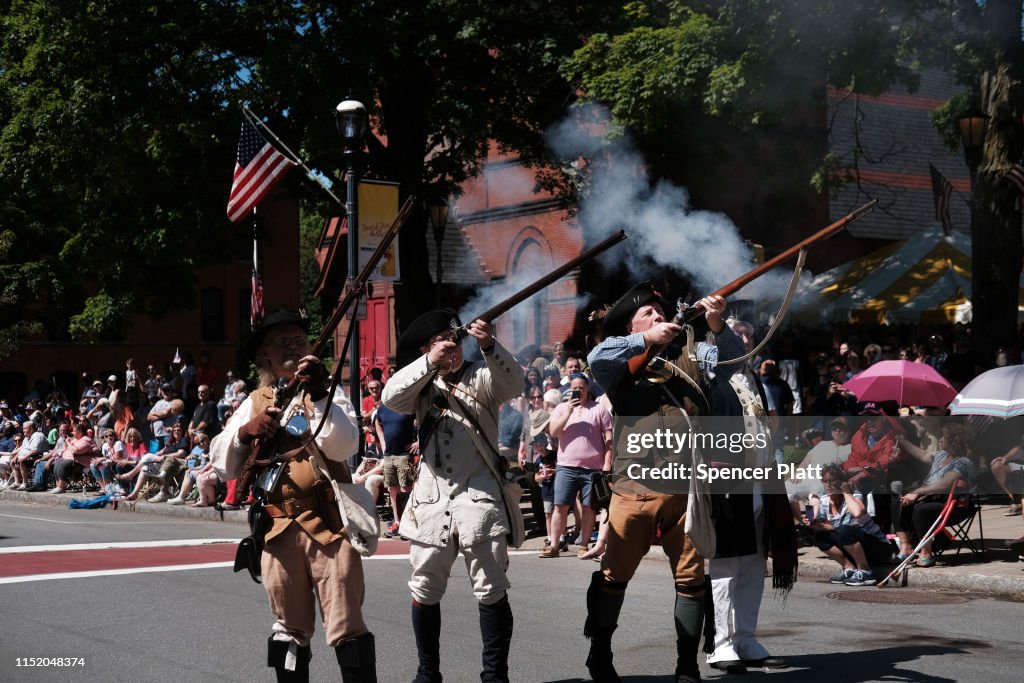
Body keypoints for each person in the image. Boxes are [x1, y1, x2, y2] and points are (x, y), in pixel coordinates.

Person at [585, 283, 739, 683]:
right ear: (631, 327)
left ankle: (686, 665)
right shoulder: (621, 357)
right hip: (633, 488)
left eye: (659, 312)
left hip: (687, 489)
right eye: (647, 313)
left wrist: (716, 322)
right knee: (613, 577)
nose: (657, 316)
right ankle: (600, 652)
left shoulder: (694, 349)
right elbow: (595, 357)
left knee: (690, 580)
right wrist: (645, 339)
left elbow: (734, 362)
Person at [210, 310, 372, 682]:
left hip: (330, 527)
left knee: (348, 630)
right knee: (289, 632)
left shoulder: (327, 391)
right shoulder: (254, 400)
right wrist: (246, 432)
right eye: (282, 342)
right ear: (265, 354)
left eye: (299, 341)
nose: (292, 348)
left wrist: (317, 391)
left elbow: (346, 443)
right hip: (277, 529)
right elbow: (223, 464)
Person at [382, 309, 523, 683]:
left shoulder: (480, 377)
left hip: (479, 498)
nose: (452, 347)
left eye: (453, 339)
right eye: (441, 341)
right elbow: (390, 397)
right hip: (432, 500)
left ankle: (495, 675)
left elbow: (514, 386)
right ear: (428, 349)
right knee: (425, 587)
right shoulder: (421, 385)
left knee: (491, 589)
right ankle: (428, 672)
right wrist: (429, 361)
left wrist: (489, 344)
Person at [537, 372, 612, 558]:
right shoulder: (562, 408)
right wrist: (569, 411)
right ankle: (554, 545)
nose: (578, 391)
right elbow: (554, 432)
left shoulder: (599, 409)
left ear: (588, 389)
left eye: (581, 387)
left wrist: (607, 463)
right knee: (560, 507)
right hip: (566, 467)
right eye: (574, 388)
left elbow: (609, 438)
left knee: (589, 508)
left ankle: (584, 545)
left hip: (593, 468)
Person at [891, 422, 977, 566]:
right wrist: (903, 442)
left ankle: (926, 553)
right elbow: (923, 454)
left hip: (954, 506)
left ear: (955, 441)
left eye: (945, 437)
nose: (941, 439)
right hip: (931, 499)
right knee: (897, 502)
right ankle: (906, 547)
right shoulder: (941, 455)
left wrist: (916, 492)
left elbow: (944, 485)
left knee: (921, 510)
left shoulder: (963, 462)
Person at [810, 465, 891, 586]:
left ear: (841, 481)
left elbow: (857, 512)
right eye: (825, 481)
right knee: (820, 536)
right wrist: (815, 522)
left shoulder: (853, 494)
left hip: (878, 548)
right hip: (855, 547)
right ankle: (849, 568)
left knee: (845, 530)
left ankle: (866, 572)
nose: (828, 484)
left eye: (831, 480)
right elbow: (832, 528)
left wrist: (846, 492)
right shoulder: (825, 500)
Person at [372, 387, 417, 537]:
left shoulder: (408, 405)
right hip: (389, 455)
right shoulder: (383, 408)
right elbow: (377, 424)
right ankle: (397, 522)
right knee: (392, 489)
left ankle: (407, 525)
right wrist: (383, 444)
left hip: (405, 454)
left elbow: (424, 421)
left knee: (406, 489)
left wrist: (419, 442)